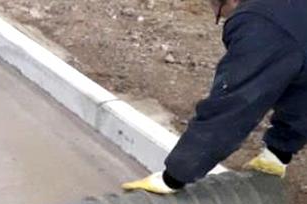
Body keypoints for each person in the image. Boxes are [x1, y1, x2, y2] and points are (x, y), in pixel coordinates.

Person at [123, 0, 307, 194]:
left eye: (219, 11)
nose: (224, 17)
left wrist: (173, 177)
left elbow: (233, 106)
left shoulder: (261, 25)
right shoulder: (289, 14)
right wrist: (279, 152)